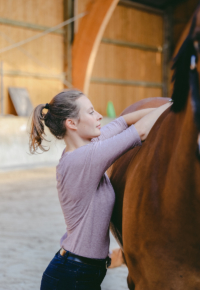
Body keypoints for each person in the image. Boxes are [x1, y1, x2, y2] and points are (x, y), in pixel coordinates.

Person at [29, 89, 172, 290]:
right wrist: (178, 104)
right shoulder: (82, 159)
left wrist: (168, 104)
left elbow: (125, 121)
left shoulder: (89, 145)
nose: (99, 116)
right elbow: (139, 131)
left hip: (81, 272)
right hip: (71, 276)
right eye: (91, 112)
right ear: (72, 123)